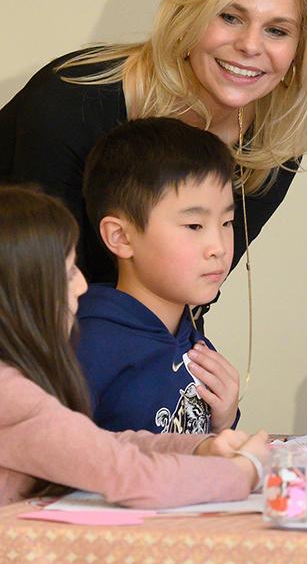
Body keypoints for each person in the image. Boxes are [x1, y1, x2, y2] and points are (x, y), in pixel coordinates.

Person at [0, 0, 307, 286]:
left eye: (277, 30)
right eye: (229, 16)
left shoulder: (274, 142)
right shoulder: (70, 101)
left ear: (301, 48)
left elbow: (192, 290)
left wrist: (191, 347)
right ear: (189, 14)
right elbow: (35, 295)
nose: (249, 46)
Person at [0, 185, 268, 508]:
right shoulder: (11, 394)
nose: (82, 285)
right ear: (24, 292)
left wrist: (200, 447)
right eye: (69, 272)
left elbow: (99, 445)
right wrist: (245, 471)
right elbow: (131, 475)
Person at [76, 118, 240, 434]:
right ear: (121, 237)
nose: (218, 247)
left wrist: (225, 418)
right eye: (194, 226)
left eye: (227, 223)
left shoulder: (193, 341)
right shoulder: (87, 346)